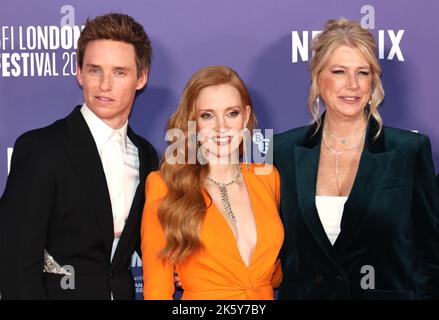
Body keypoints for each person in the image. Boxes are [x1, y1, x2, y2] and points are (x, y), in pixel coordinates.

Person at [273, 18, 439, 299]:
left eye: (362, 73)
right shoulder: (283, 151)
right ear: (318, 77)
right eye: (339, 71)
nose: (352, 85)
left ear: (373, 80)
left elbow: (431, 254)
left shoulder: (408, 150)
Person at [0, 13, 158, 299]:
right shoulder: (41, 149)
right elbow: (15, 264)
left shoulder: (146, 155)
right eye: (95, 70)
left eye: (119, 72)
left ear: (141, 77)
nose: (104, 85)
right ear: (79, 72)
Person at [141, 66, 283, 299]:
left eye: (232, 113)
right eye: (208, 115)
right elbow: (157, 291)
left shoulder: (267, 177)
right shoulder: (166, 186)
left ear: (246, 116)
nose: (221, 127)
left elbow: (272, 267)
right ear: (193, 122)